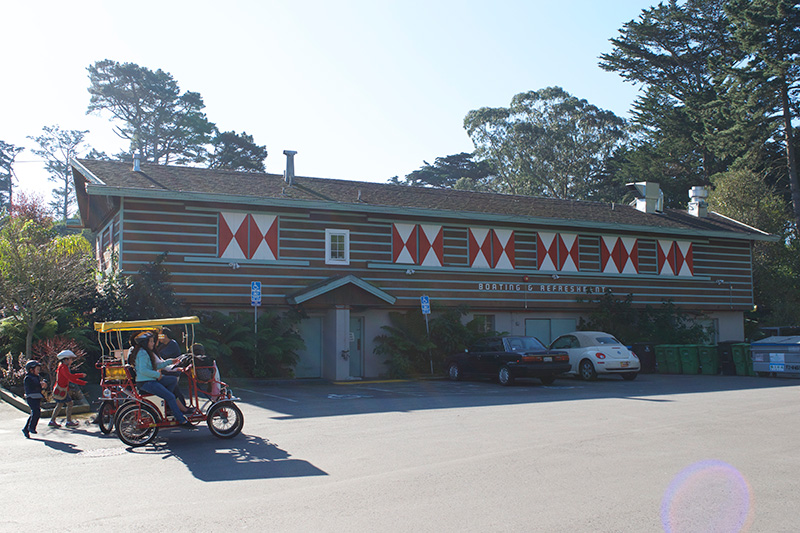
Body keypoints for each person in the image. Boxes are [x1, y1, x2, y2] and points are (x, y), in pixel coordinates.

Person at [131, 331, 194, 427]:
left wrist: (170, 362)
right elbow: (143, 371)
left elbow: (156, 365)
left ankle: (166, 401)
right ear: (145, 343)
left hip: (149, 380)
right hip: (146, 382)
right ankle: (181, 420)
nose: (153, 343)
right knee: (171, 396)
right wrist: (157, 375)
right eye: (151, 341)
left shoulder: (145, 352)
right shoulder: (143, 353)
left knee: (172, 380)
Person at [49, 350, 87, 428]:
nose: (71, 361)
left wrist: (81, 381)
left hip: (61, 390)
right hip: (62, 390)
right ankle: (68, 421)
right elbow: (70, 377)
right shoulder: (63, 367)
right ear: (66, 359)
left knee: (60, 404)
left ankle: (53, 421)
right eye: (70, 359)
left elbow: (69, 378)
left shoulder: (62, 366)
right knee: (69, 403)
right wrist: (80, 376)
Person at [22, 360, 46, 438]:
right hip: (31, 397)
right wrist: (40, 385)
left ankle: (26, 429)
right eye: (37, 369)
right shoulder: (28, 378)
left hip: (37, 396)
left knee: (34, 413)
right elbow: (32, 387)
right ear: (31, 370)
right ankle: (32, 427)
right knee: (36, 412)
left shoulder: (37, 377)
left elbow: (39, 387)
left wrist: (44, 384)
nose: (38, 371)